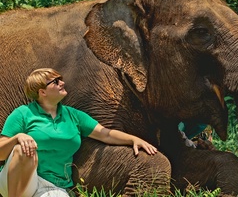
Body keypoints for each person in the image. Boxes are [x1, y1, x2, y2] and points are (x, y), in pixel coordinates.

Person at [0, 68, 158, 197]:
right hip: (17, 181)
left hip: (53, 186)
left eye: (60, 79)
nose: (62, 83)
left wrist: (133, 140)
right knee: (23, 150)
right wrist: (17, 138)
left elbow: (106, 134)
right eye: (56, 81)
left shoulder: (73, 115)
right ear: (42, 92)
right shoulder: (22, 114)